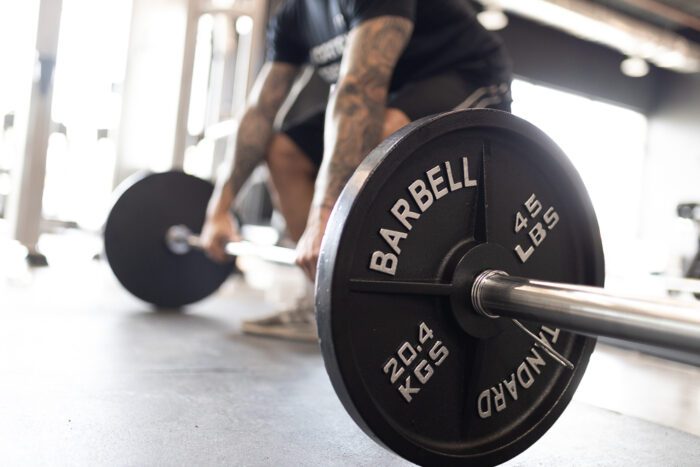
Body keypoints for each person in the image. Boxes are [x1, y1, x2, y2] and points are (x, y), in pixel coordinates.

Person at [201, 0, 512, 341]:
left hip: (468, 75)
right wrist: (219, 210)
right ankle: (321, 300)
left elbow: (359, 90)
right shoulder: (293, 15)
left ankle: (388, 300)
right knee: (284, 152)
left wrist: (324, 221)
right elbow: (260, 111)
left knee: (386, 133)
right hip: (394, 94)